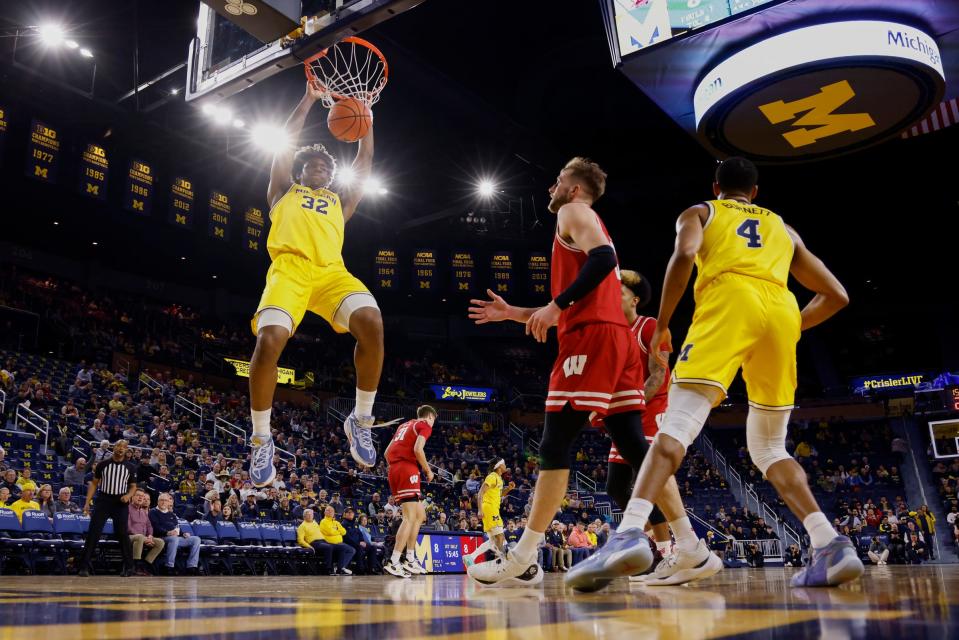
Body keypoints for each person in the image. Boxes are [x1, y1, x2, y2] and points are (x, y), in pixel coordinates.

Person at [583, 156, 861, 589]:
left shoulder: (702, 211)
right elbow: (837, 294)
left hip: (729, 301)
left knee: (675, 428)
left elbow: (685, 254)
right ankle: (829, 542)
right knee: (770, 448)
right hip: (781, 309)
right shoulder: (783, 228)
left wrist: (665, 323)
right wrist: (785, 328)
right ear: (755, 192)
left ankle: (629, 532)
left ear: (716, 187)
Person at [466, 158, 653, 590]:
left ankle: (523, 558)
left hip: (590, 339)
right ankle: (686, 545)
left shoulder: (573, 212)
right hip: (609, 336)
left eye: (559, 179)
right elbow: (582, 292)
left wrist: (557, 305)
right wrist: (515, 313)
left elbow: (602, 260)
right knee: (633, 444)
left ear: (573, 189)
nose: (552, 184)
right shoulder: (586, 220)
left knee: (554, 445)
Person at [247, 79, 384, 487]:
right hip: (289, 270)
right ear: (302, 170)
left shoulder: (340, 203)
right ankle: (260, 439)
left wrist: (367, 122)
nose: (321, 168)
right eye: (313, 165)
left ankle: (360, 419)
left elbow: (365, 162)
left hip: (331, 273)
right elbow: (285, 144)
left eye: (327, 166)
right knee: (269, 340)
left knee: (373, 324)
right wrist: (307, 98)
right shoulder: (281, 191)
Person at [605, 268, 707, 585]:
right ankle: (661, 548)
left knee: (653, 483)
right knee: (615, 485)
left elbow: (658, 375)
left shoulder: (650, 326)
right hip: (627, 411)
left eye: (620, 292)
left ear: (635, 299)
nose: (613, 296)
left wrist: (630, 403)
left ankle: (667, 554)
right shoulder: (612, 331)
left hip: (651, 409)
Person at [383, 405, 437, 578]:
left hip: (394, 468)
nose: (433, 424)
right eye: (433, 420)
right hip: (407, 469)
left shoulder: (403, 425)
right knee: (409, 517)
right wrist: (428, 470)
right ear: (429, 417)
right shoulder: (424, 425)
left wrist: (397, 466)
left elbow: (386, 453)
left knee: (420, 515)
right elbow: (417, 449)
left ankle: (410, 559)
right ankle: (394, 560)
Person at [78, 440, 137, 577]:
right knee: (94, 533)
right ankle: (83, 567)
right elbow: (94, 484)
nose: (121, 449)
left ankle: (129, 567)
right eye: (118, 446)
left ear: (126, 450)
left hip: (120, 502)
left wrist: (128, 495)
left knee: (122, 533)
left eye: (124, 447)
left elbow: (133, 486)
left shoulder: (130, 467)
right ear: (113, 447)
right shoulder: (102, 464)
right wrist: (87, 502)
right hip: (103, 500)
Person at [463, 459, 514, 566]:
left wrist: (508, 489)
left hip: (493, 508)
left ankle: (471, 557)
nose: (505, 465)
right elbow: (480, 493)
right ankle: (503, 563)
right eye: (504, 464)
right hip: (489, 508)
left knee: (492, 540)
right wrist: (480, 509)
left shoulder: (499, 478)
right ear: (499, 466)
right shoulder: (492, 476)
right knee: (500, 536)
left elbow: (499, 494)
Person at [150, 493, 202, 575]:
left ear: (169, 502)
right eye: (161, 500)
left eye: (166, 500)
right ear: (157, 501)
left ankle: (192, 566)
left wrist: (183, 533)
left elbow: (176, 527)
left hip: (174, 537)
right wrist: (167, 532)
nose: (164, 502)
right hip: (161, 537)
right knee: (174, 539)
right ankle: (169, 566)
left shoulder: (171, 514)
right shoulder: (153, 512)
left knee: (196, 539)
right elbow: (155, 527)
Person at [128, 490, 165, 574]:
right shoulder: (127, 509)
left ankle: (146, 564)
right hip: (129, 536)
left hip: (143, 538)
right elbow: (128, 527)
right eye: (138, 495)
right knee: (140, 537)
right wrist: (144, 538)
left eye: (142, 496)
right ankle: (135, 566)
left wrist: (150, 536)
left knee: (160, 542)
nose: (141, 497)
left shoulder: (143, 511)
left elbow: (149, 526)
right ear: (132, 497)